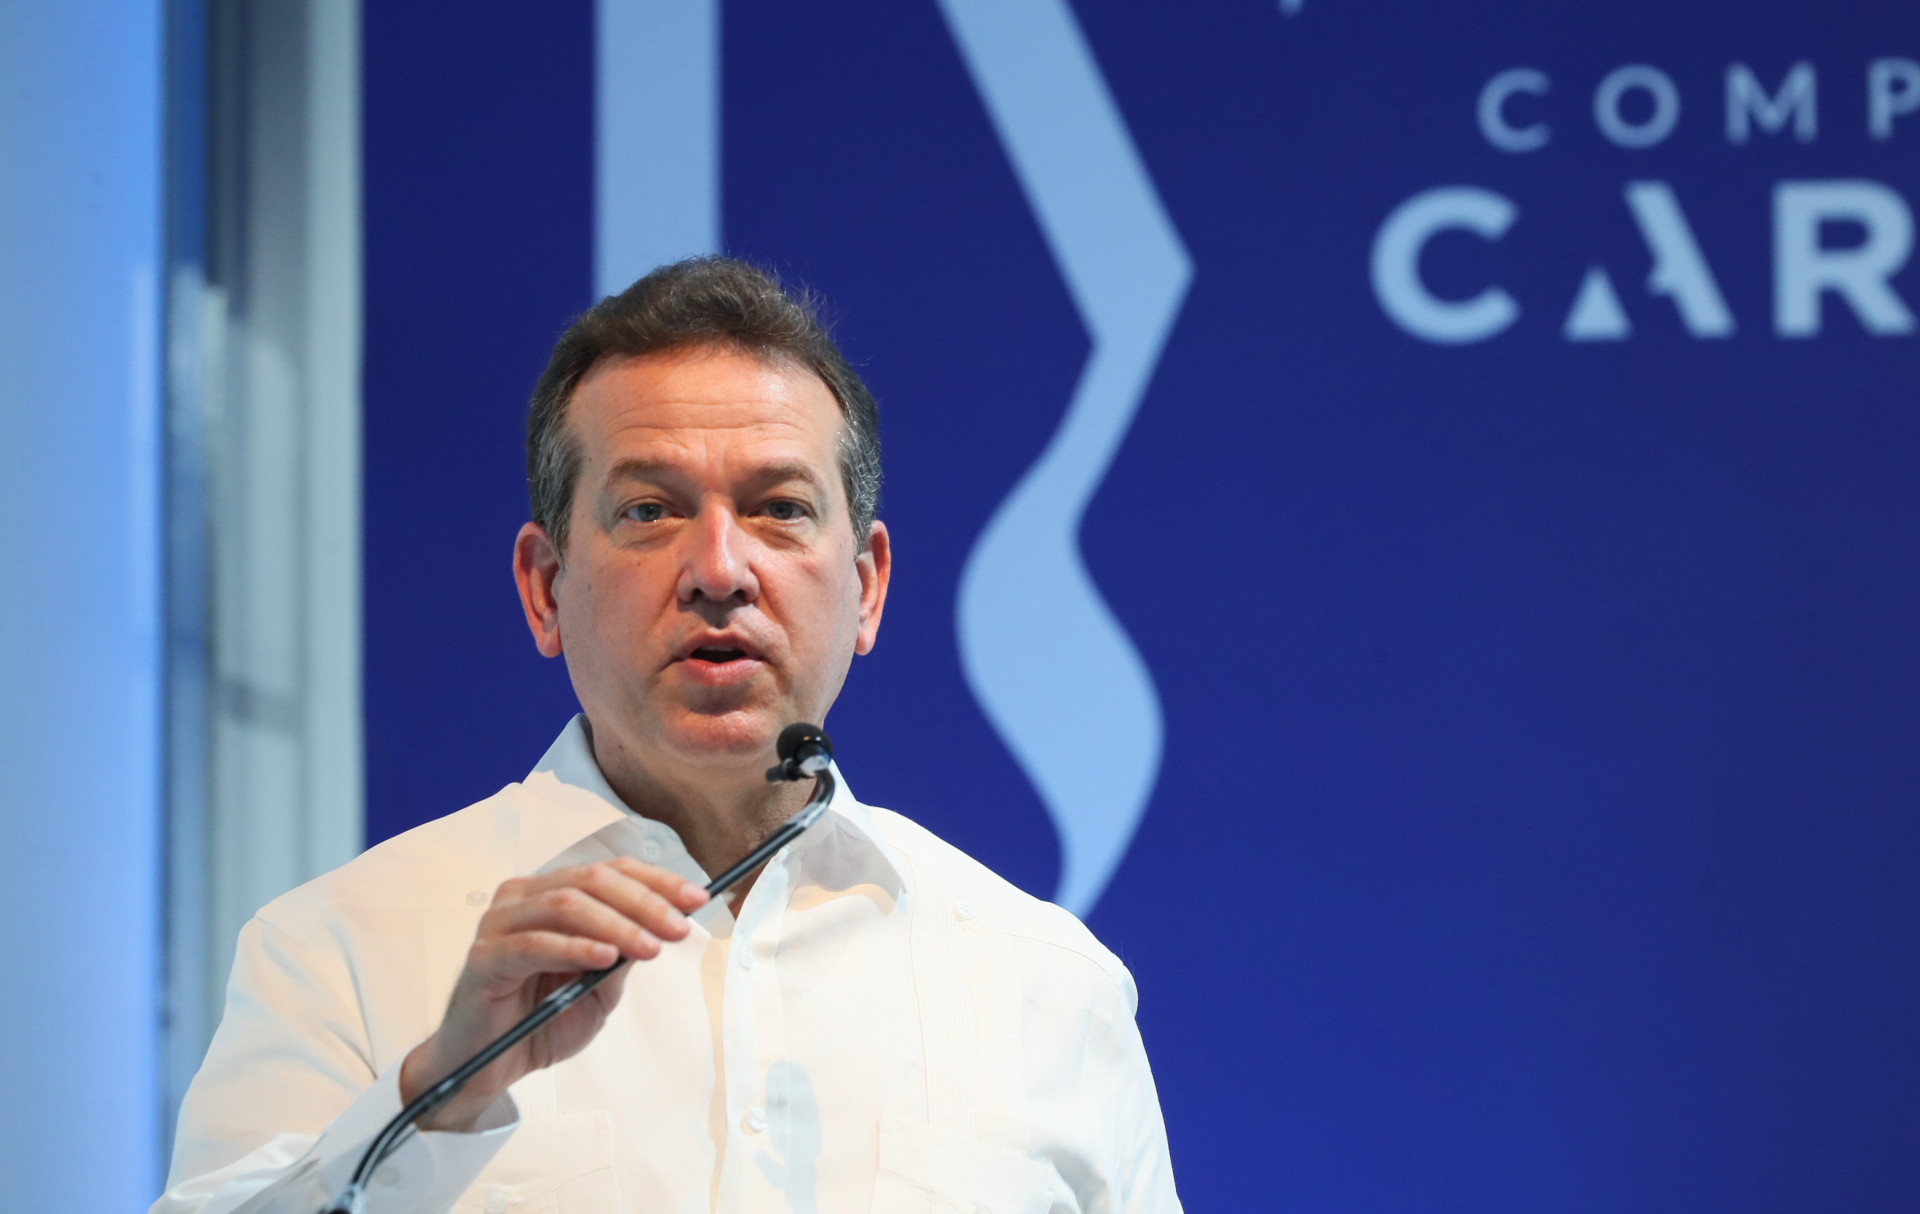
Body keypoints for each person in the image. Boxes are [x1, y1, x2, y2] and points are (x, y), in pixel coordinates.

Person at [154, 258, 1182, 1214]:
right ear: (544, 588)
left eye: (780, 508)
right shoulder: (341, 951)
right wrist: (436, 1094)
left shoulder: (1048, 985)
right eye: (649, 511)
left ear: (866, 588)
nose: (720, 569)